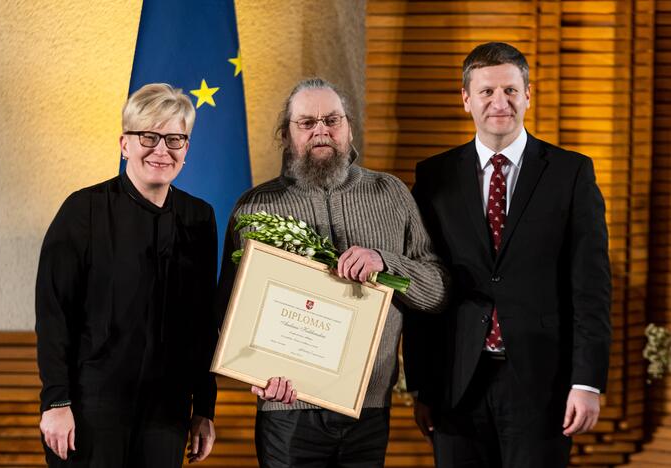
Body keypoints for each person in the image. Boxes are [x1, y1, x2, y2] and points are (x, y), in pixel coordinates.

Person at [216, 77, 448, 468]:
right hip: (285, 411)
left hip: (368, 409)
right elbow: (227, 313)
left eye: (332, 120)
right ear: (286, 137)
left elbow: (438, 291)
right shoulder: (254, 207)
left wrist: (386, 263)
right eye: (306, 123)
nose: (321, 130)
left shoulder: (390, 194)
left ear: (349, 129)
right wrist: (250, 371)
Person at [407, 42, 612, 467]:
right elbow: (423, 285)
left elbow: (591, 288)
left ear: (528, 95)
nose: (499, 103)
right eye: (486, 92)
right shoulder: (433, 177)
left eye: (510, 91)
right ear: (466, 99)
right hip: (455, 385)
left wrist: (587, 383)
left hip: (543, 386)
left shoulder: (571, 173)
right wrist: (421, 388)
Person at [35, 83, 218, 467]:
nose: (161, 149)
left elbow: (203, 323)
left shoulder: (199, 218)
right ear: (124, 144)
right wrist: (56, 401)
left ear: (186, 149)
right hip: (91, 408)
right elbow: (53, 314)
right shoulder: (83, 210)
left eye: (174, 139)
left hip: (166, 414)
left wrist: (204, 407)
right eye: (148, 136)